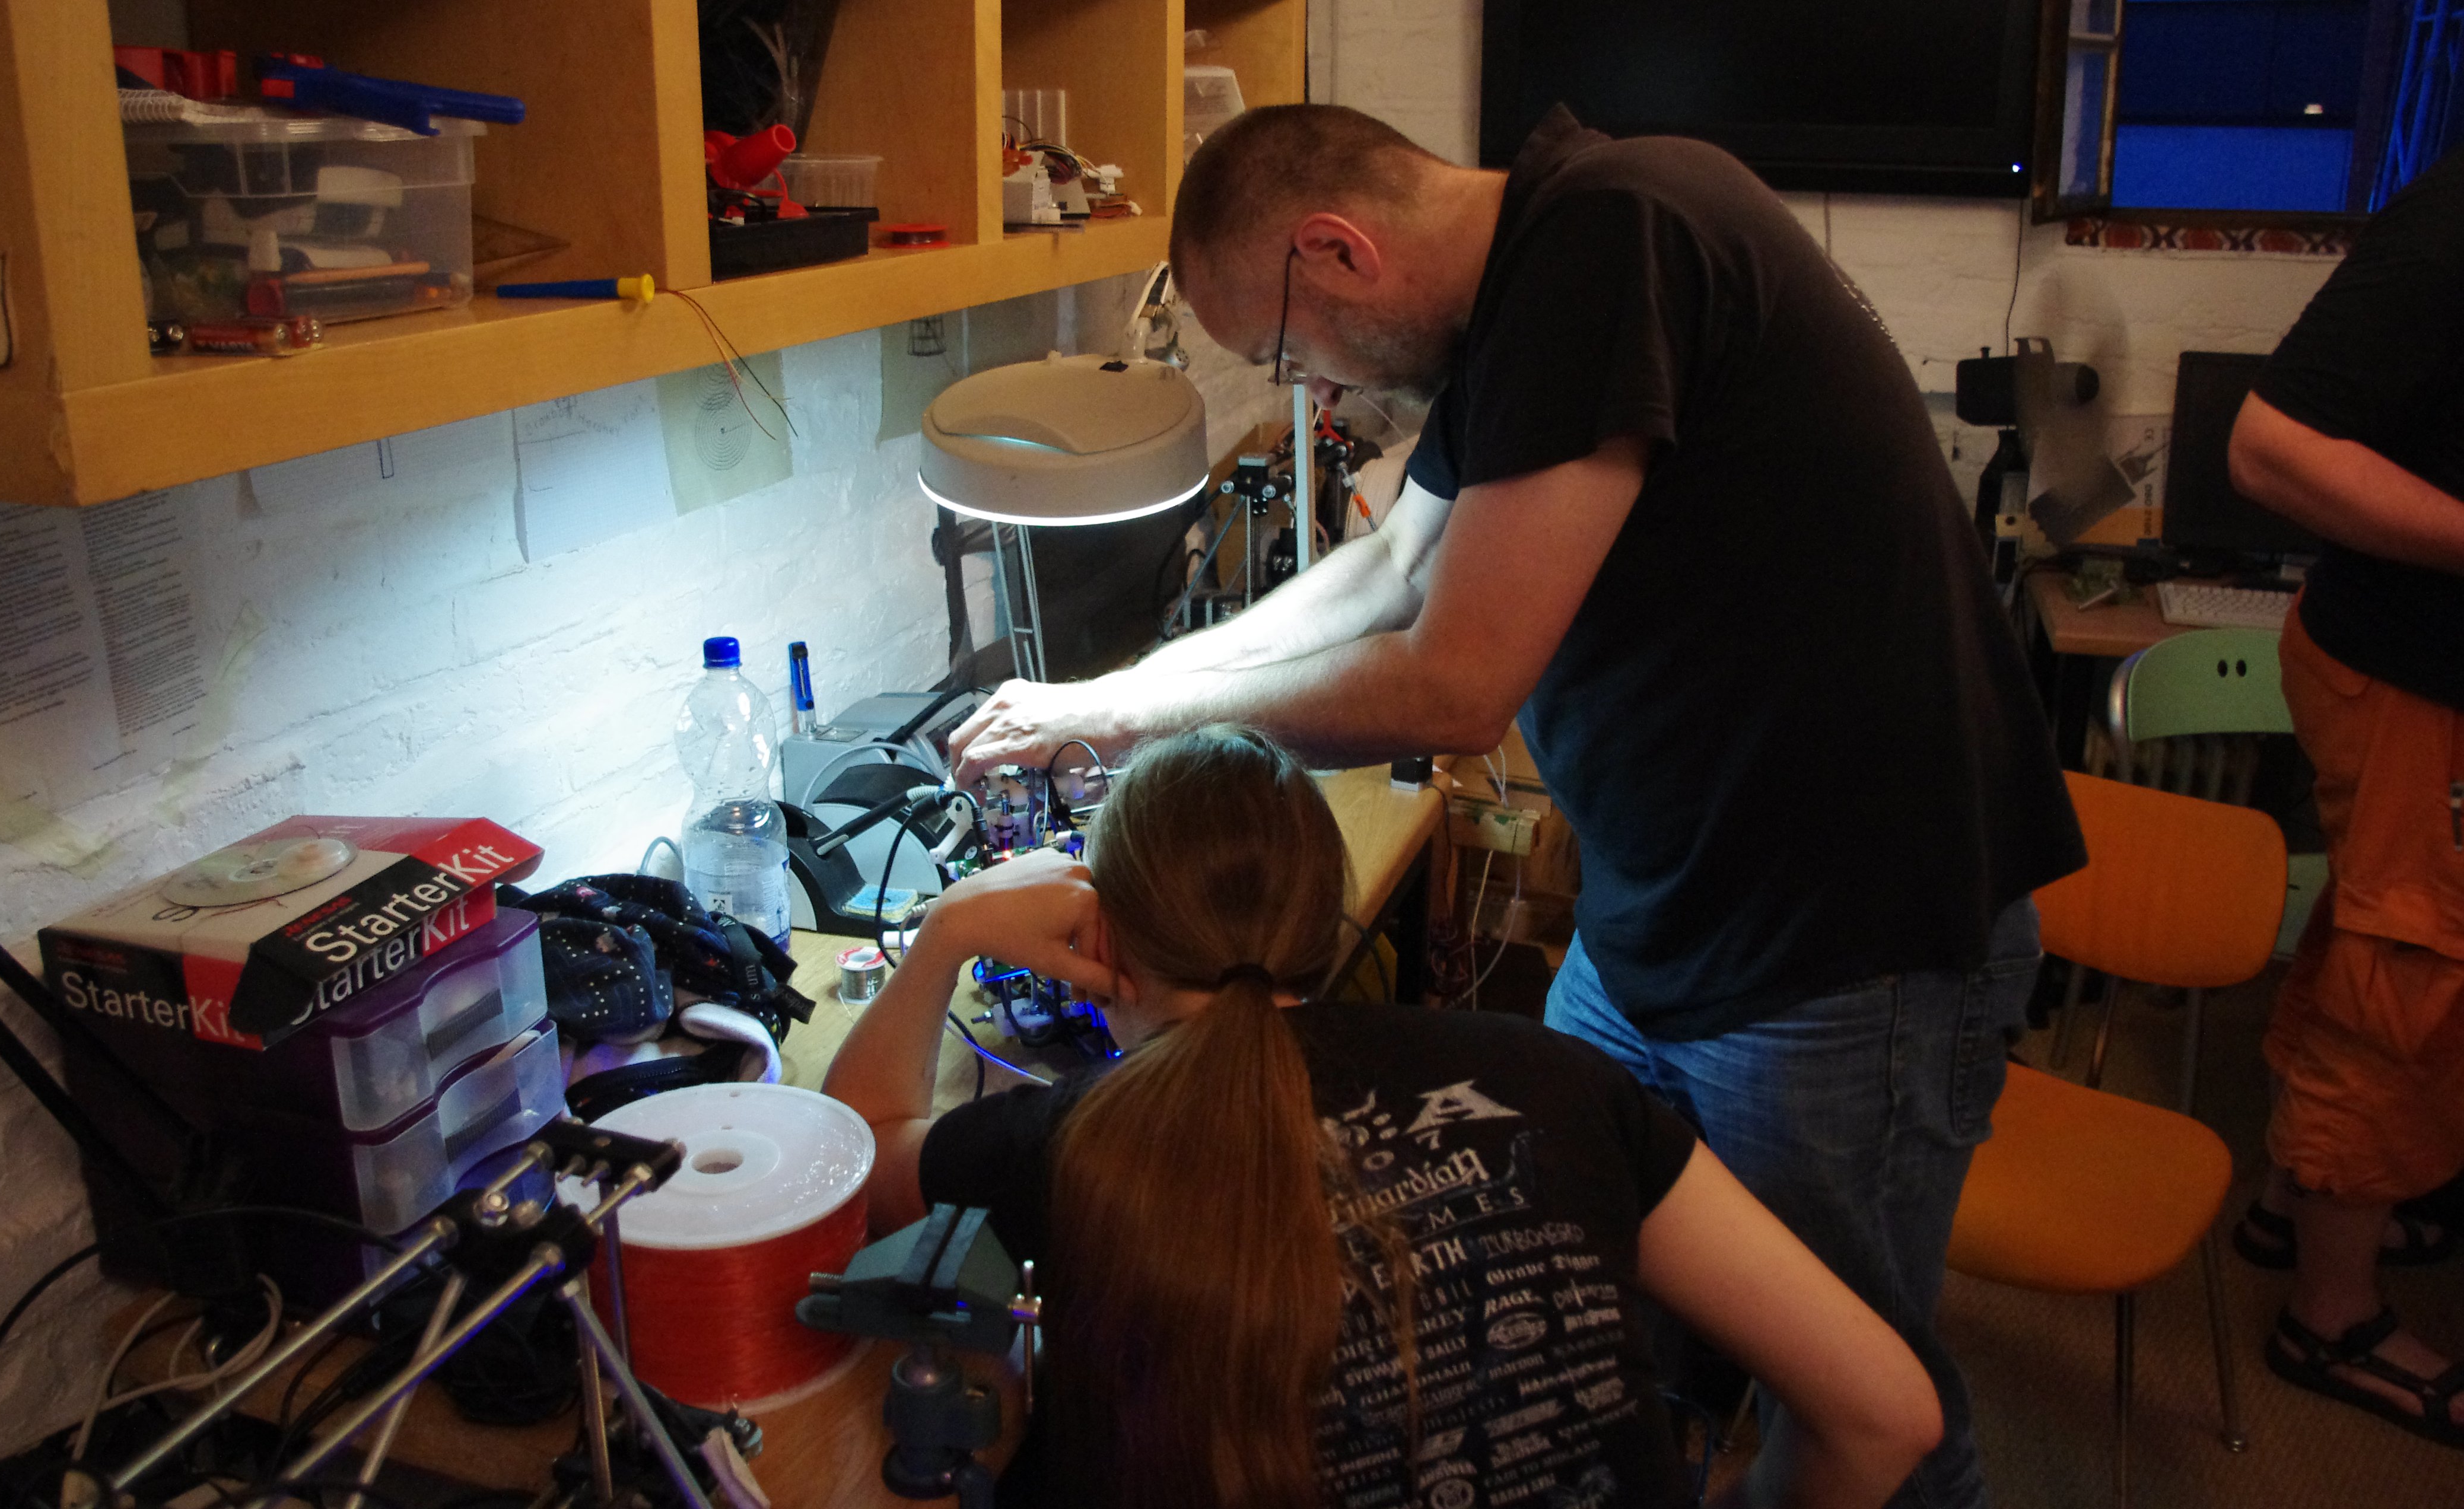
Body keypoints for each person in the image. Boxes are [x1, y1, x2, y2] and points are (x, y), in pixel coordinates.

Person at [946, 104, 2084, 1505]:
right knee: (1598, 1323)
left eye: (1288, 352)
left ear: (1335, 249)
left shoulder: (1616, 238)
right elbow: (1386, 576)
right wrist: (1118, 687)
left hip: (1841, 945)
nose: (1311, 391)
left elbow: (1452, 685)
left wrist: (1127, 720)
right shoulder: (1536, 287)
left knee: (1862, 1394)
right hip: (1667, 913)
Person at [822, 725, 1943, 1508]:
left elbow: (850, 1159)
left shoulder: (1072, 1142)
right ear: (1330, 919)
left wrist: (950, 933)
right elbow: (1888, 1416)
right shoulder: (1561, 1079)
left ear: (1102, 942)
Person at [2225, 144, 2464, 1450]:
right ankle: (2331, 1312)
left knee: (2371, 932)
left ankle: (2300, 1198)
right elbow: (2268, 449)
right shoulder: (2453, 217)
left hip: (2402, 666)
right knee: (2407, 975)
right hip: (2411, 674)